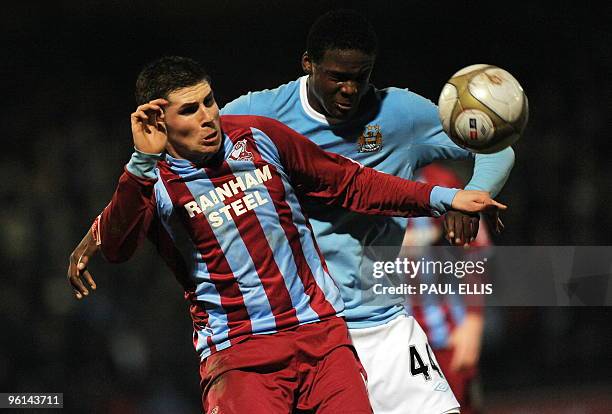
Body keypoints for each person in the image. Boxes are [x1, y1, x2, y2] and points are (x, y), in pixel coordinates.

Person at [67, 56, 505, 414]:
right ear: (156, 120)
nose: (208, 118)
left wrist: (441, 197)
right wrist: (138, 167)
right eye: (190, 110)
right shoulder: (150, 183)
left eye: (209, 101)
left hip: (322, 341)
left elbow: (351, 181)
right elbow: (119, 245)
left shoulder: (258, 136)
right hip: (239, 356)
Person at [219, 9, 514, 414]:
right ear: (308, 64)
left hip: (384, 319)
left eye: (361, 76)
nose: (349, 89)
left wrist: (473, 196)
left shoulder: (401, 115)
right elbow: (188, 143)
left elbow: (496, 145)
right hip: (307, 332)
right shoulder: (262, 114)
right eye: (337, 77)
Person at [403, 163, 490, 414]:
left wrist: (473, 322)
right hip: (386, 342)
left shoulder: (442, 182)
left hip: (445, 338)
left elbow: (476, 256)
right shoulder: (356, 181)